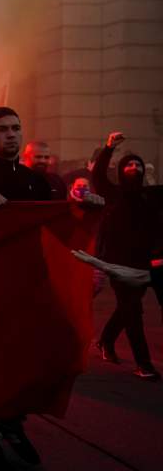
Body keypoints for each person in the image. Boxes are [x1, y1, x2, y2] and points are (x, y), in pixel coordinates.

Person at [0, 106, 104, 471]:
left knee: (23, 358)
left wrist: (86, 211)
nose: (11, 135)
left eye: (16, 128)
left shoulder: (41, 181)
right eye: (1, 130)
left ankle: (13, 422)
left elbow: (59, 226)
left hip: (29, 285)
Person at [89, 132, 162, 380]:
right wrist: (109, 147)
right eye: (129, 164)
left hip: (152, 263)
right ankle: (144, 364)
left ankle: (106, 340)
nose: (134, 167)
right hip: (121, 265)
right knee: (132, 311)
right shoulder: (113, 193)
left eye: (137, 164)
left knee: (126, 309)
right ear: (121, 170)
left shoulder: (152, 195)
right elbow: (98, 175)